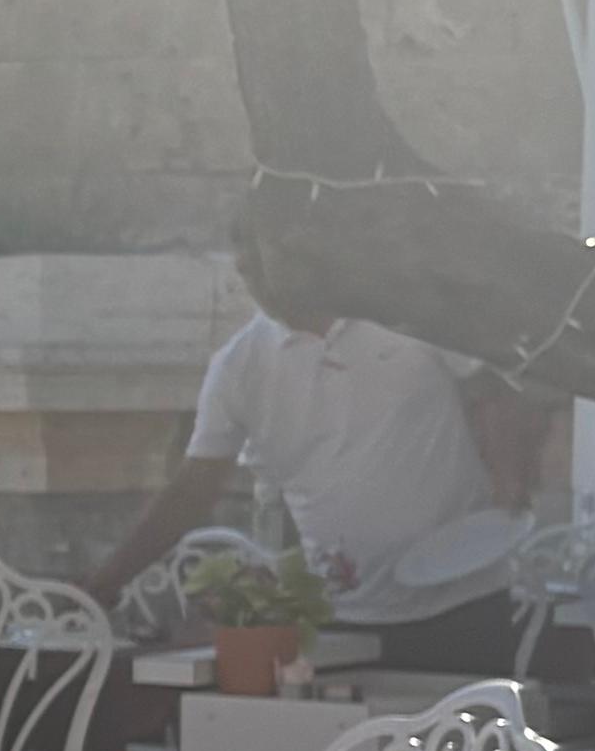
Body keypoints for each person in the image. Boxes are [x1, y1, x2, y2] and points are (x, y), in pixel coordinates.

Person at [99, 286, 531, 669]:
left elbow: (495, 386)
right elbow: (193, 489)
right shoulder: (239, 364)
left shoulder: (405, 312)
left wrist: (509, 481)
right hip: (339, 618)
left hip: (462, 601)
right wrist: (105, 583)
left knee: (470, 737)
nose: (259, 272)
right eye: (247, 262)